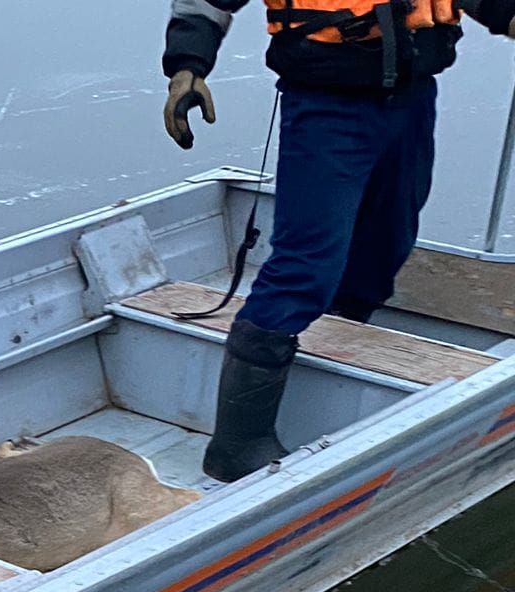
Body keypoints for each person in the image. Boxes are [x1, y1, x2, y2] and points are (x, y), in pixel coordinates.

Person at [163, 0, 515, 482]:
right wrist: (187, 65)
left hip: (411, 101)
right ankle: (237, 443)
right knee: (305, 265)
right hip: (326, 105)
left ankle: (334, 345)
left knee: (384, 248)